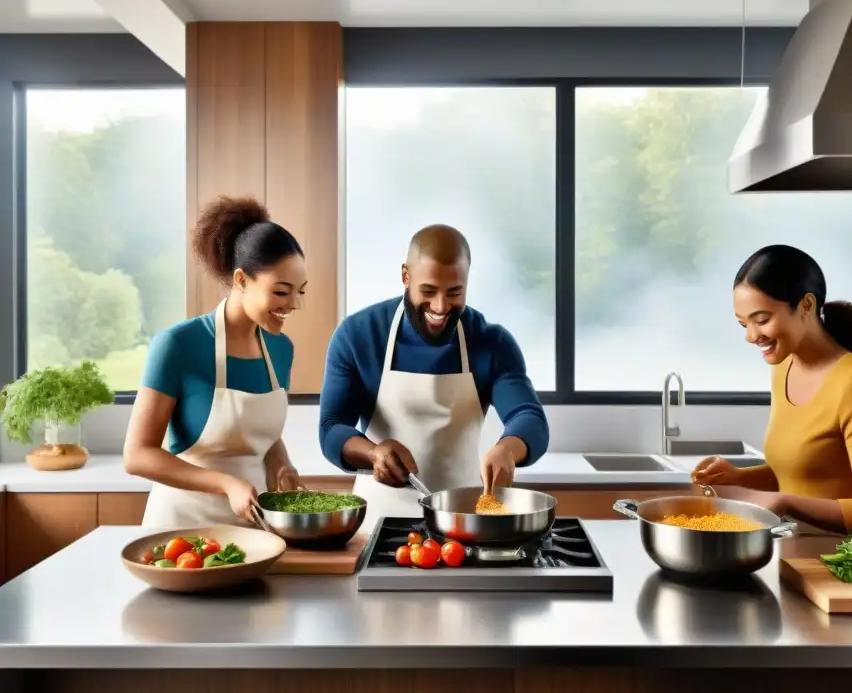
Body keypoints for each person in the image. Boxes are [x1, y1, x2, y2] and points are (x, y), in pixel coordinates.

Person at [319, 224, 549, 531]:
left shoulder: (491, 342)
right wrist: (373, 453)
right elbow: (332, 428)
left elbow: (529, 417)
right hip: (378, 523)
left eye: (455, 292)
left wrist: (508, 448)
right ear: (405, 276)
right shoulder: (358, 336)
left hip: (463, 522)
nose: (441, 307)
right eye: (428, 291)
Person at [124, 196, 307, 528]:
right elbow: (137, 456)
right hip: (181, 534)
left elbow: (258, 437)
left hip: (254, 530)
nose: (294, 304)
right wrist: (226, 483)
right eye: (281, 292)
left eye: (300, 291)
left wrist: (282, 469)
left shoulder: (281, 349)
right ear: (241, 280)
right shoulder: (178, 345)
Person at [693, 244, 852, 534]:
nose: (752, 336)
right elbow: (801, 473)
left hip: (837, 564)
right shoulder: (783, 366)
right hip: (790, 547)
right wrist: (738, 478)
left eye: (762, 320)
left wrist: (785, 502)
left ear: (806, 306)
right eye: (743, 324)